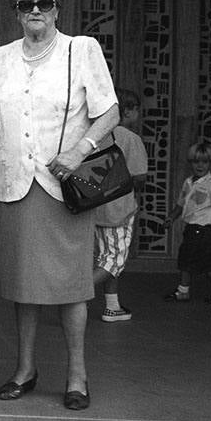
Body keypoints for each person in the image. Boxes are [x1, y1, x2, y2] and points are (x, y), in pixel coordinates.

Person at [0, 0, 119, 412]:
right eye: (26, 4)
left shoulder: (80, 49)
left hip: (65, 186)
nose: (35, 10)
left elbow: (109, 111)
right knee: (21, 282)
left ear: (57, 8)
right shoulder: (1, 57)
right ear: (16, 11)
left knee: (71, 284)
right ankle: (25, 368)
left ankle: (77, 373)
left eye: (44, 3)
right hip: (14, 183)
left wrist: (79, 150)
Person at [92, 88, 148, 322]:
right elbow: (139, 177)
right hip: (120, 208)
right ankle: (76, 294)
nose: (138, 115)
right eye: (137, 111)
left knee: (105, 256)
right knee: (115, 260)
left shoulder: (97, 134)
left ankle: (112, 307)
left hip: (95, 207)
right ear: (128, 111)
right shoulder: (130, 139)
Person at [162, 141, 211, 304]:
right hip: (192, 227)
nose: (200, 165)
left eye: (205, 162)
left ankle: (183, 291)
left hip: (205, 229)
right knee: (203, 259)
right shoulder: (188, 182)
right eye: (196, 161)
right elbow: (181, 204)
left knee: (188, 258)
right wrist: (170, 218)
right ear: (190, 163)